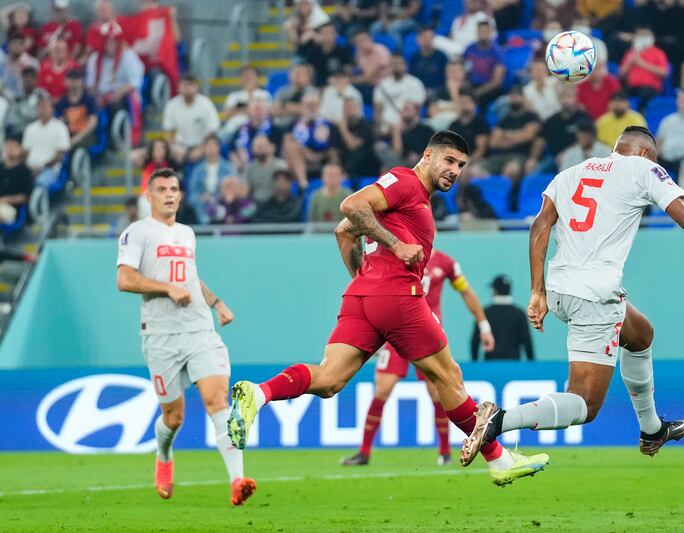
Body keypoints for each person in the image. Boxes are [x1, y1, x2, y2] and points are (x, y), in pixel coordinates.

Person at [228, 131, 549, 487]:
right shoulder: (406, 182)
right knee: (449, 376)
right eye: (449, 161)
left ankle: (259, 393)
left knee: (330, 379)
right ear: (428, 155)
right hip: (400, 297)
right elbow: (349, 207)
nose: (455, 170)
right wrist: (396, 247)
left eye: (461, 165)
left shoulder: (414, 198)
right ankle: (499, 460)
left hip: (364, 296)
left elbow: (342, 232)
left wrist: (366, 280)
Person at [460, 125, 684, 467]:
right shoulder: (644, 168)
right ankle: (499, 421)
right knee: (585, 404)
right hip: (594, 296)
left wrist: (537, 291)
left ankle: (652, 428)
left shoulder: (571, 172)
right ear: (644, 153)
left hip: (560, 289)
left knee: (640, 333)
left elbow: (540, 225)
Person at [116, 168, 257, 505]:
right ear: (148, 196)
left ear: (180, 195)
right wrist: (165, 288)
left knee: (217, 400)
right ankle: (164, 455)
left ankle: (238, 480)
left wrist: (216, 302)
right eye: (161, 189)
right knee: (173, 416)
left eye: (174, 189)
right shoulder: (137, 233)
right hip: (161, 336)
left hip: (199, 330)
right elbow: (124, 279)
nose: (169, 194)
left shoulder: (187, 234)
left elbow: (190, 278)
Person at [341, 248, 495, 466]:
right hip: (395, 331)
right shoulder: (395, 254)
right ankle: (364, 452)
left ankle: (445, 453)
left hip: (425, 333)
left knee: (438, 392)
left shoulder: (446, 262)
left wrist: (484, 325)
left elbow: (466, 291)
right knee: (382, 389)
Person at [161, 73, 221, 164]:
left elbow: (213, 131)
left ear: (197, 87)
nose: (187, 88)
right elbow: (169, 132)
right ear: (178, 87)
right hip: (180, 146)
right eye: (184, 85)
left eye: (191, 84)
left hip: (202, 145)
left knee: (214, 148)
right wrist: (173, 148)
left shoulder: (206, 104)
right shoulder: (172, 105)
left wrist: (201, 149)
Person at [471, 274, 532, 361]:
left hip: (490, 364)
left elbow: (475, 341)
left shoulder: (484, 313)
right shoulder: (519, 313)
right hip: (513, 364)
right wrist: (532, 366)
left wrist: (474, 364)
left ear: (495, 291)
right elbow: (527, 343)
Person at [22, 95, 70, 188]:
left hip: (50, 169)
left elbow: (60, 155)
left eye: (45, 107)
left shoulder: (60, 128)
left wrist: (42, 167)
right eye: (40, 107)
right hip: (29, 169)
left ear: (52, 109)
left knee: (40, 183)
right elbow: (25, 153)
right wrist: (28, 168)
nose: (42, 110)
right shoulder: (30, 129)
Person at [373, 53, 426, 135]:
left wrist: (406, 126)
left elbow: (417, 110)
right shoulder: (382, 85)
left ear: (405, 65)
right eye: (393, 64)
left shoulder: (415, 83)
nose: (396, 66)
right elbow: (377, 110)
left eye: (399, 63)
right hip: (386, 127)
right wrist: (379, 126)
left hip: (408, 126)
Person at [618, 26, 669, 111]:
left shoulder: (658, 53)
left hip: (650, 87)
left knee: (645, 95)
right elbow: (621, 74)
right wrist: (630, 63)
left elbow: (664, 73)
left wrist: (642, 64)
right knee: (619, 95)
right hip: (632, 86)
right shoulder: (630, 53)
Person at [188, 135, 235, 224]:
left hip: (223, 204)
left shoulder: (228, 168)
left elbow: (233, 190)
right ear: (204, 149)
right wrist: (201, 198)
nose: (211, 149)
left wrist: (218, 198)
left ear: (219, 148)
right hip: (202, 205)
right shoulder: (197, 170)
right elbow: (192, 192)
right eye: (208, 146)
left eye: (214, 146)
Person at [463, 21, 506, 112]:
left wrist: (478, 92)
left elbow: (497, 81)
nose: (483, 34)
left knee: (482, 99)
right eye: (481, 31)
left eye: (485, 32)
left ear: (490, 33)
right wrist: (465, 82)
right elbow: (464, 69)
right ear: (477, 32)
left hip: (489, 87)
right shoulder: (470, 49)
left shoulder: (497, 53)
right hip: (473, 84)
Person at [55, 67, 98, 151]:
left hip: (85, 135)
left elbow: (92, 123)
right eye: (70, 79)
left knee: (75, 146)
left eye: (76, 79)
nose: (73, 82)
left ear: (81, 81)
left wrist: (77, 138)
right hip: (68, 134)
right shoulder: (62, 102)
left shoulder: (89, 100)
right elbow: (60, 123)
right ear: (66, 81)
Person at [0, 136, 34, 226]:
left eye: (13, 146)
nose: (10, 149)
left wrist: (4, 200)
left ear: (20, 149)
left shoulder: (25, 171)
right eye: (8, 146)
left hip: (13, 208)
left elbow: (25, 197)